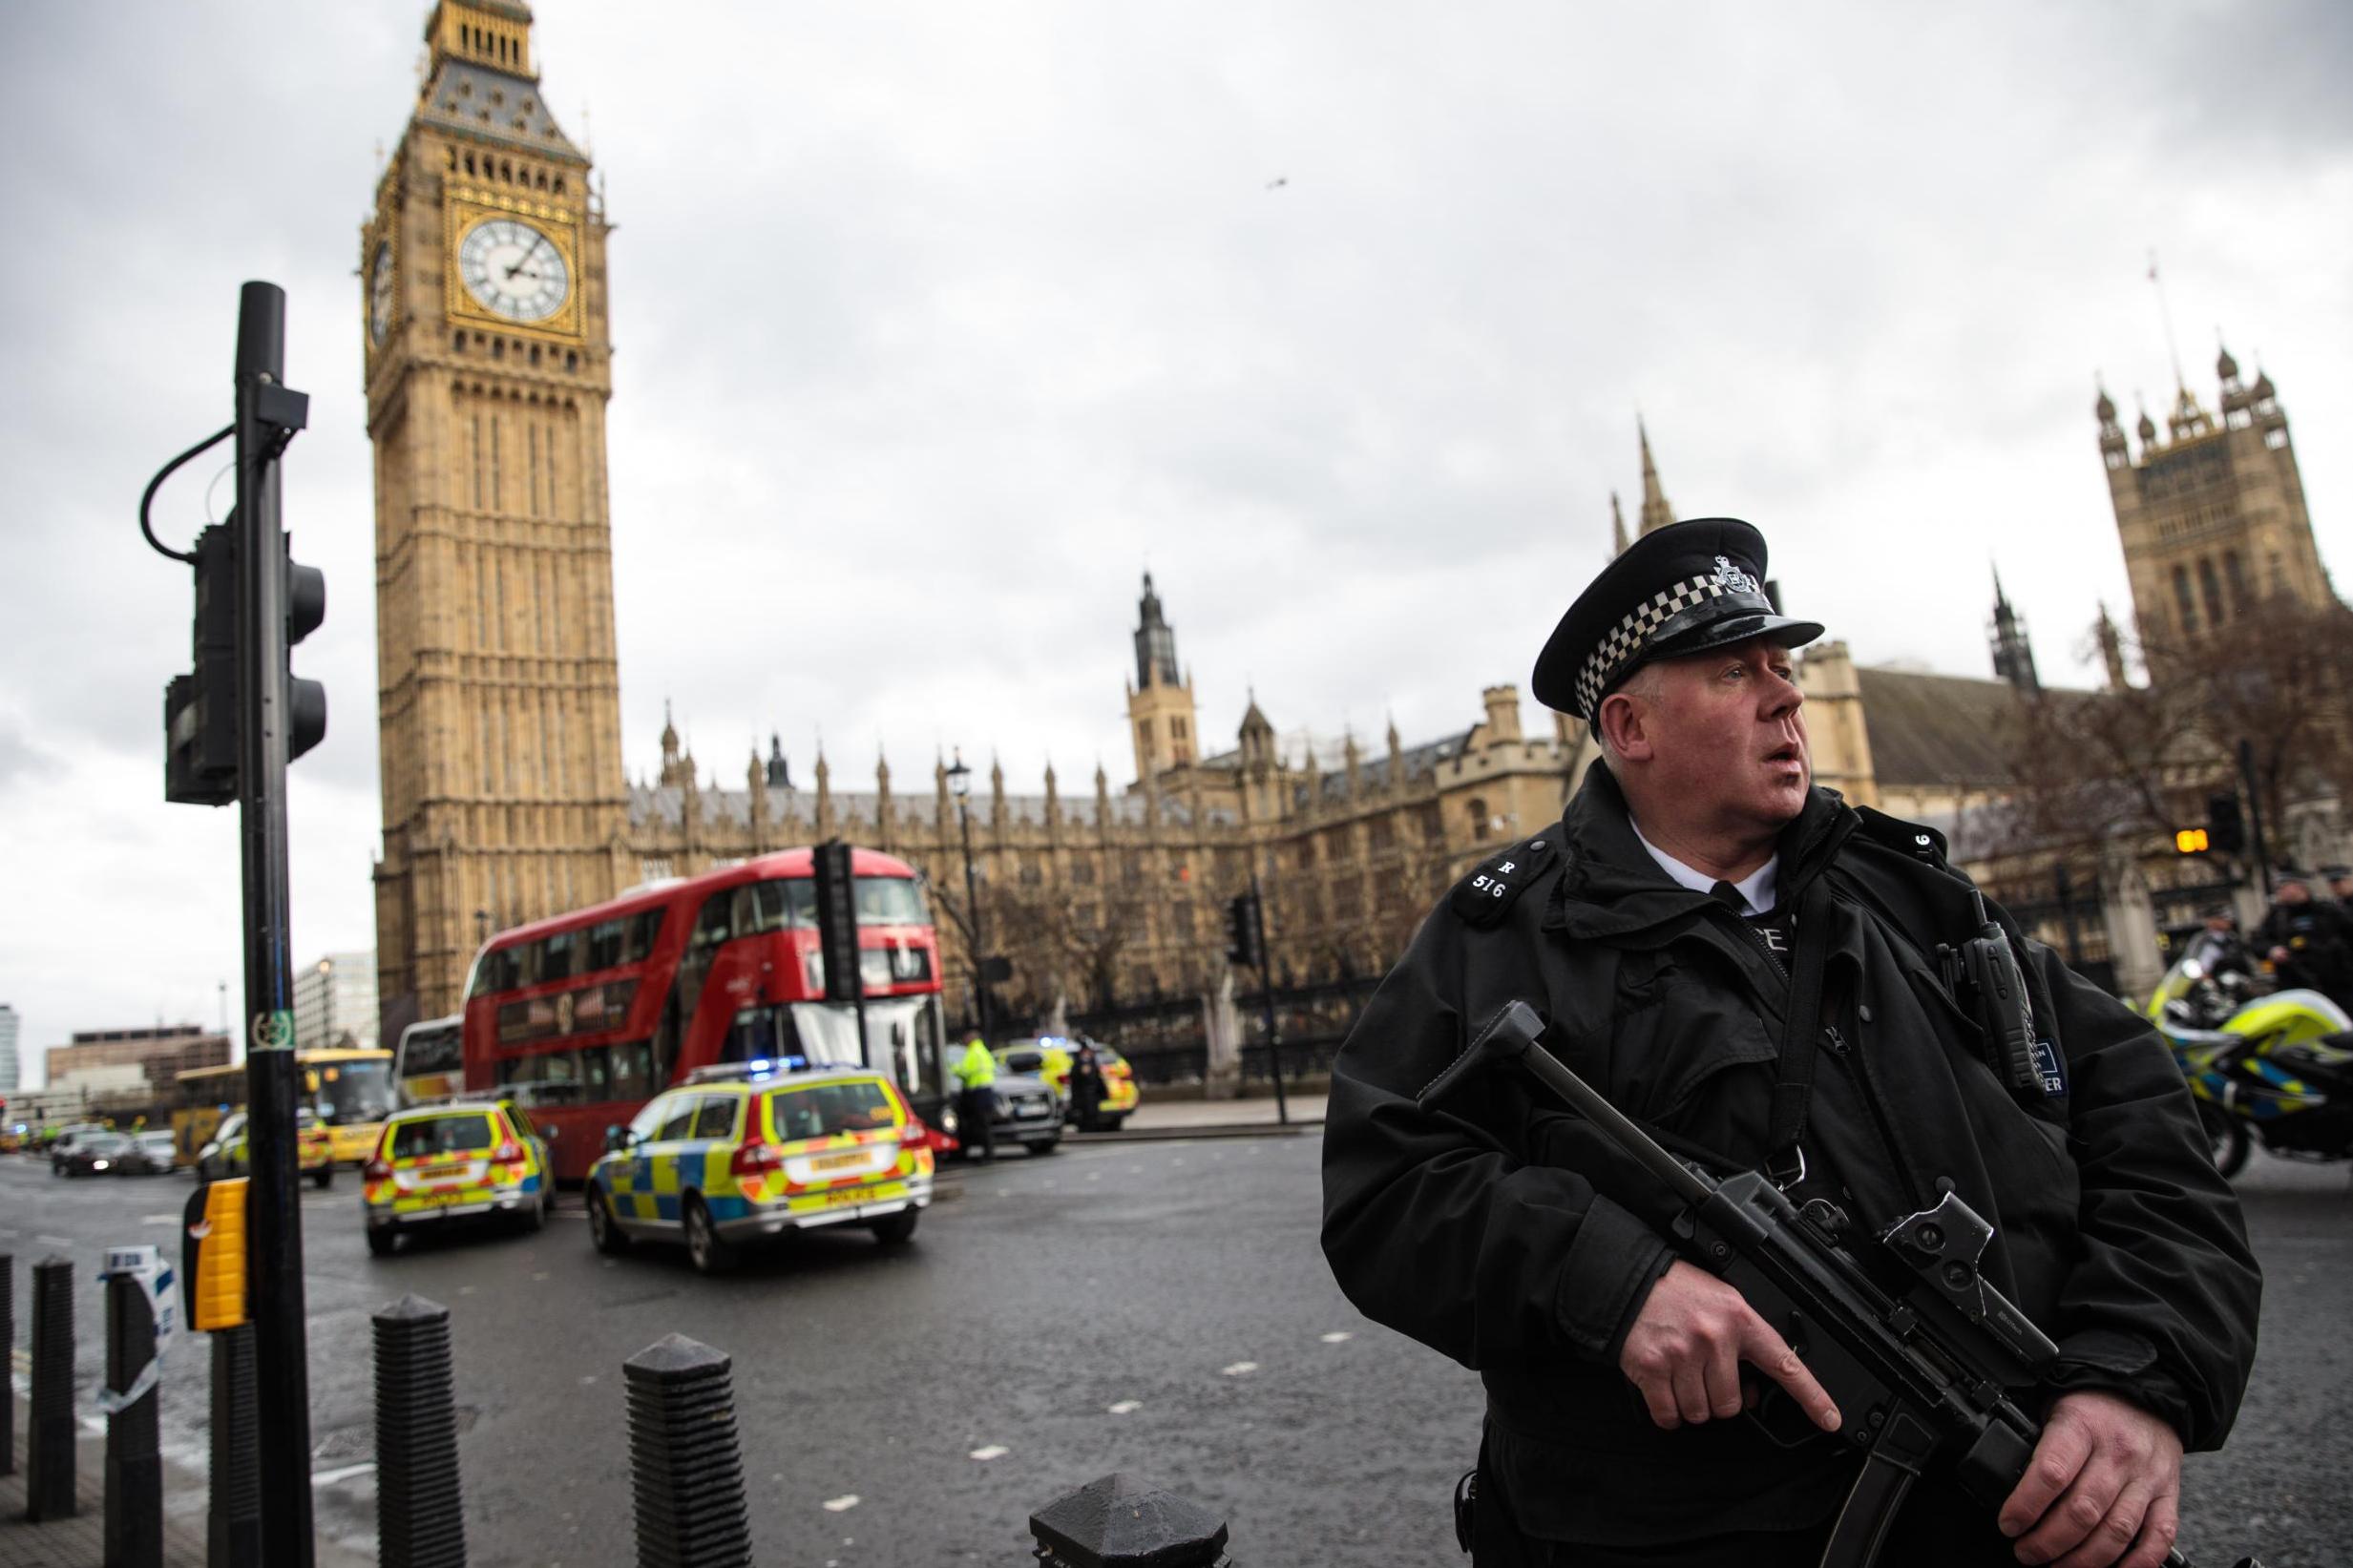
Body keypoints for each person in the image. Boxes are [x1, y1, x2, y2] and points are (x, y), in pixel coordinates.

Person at [1319, 519, 2260, 1568]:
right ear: (1628, 726)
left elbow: (2138, 1119)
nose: (1785, 695)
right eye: (1734, 671)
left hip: (2006, 1503)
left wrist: (2136, 1369)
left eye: (1781, 664)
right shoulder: (1500, 935)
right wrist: (1612, 1276)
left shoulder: (1918, 898)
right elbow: (1384, 1188)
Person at [2253, 868, 2353, 1009]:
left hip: (2336, 984)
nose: (2281, 892)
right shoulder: (2277, 917)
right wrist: (2272, 950)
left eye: (2285, 887)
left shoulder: (2327, 911)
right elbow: (2258, 942)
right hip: (2296, 983)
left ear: (2299, 886)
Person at [951, 1034, 998, 1162]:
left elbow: (965, 1071)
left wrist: (952, 1068)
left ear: (970, 1040)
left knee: (980, 1125)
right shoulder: (983, 1051)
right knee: (984, 1125)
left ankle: (987, 1154)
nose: (964, 1041)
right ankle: (988, 1152)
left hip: (977, 1093)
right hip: (986, 1091)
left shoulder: (973, 1052)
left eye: (965, 1039)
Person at [1066, 1039, 1105, 1131]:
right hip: (1082, 1095)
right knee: (1084, 1116)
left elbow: (1097, 1077)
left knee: (1093, 1115)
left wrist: (1102, 1093)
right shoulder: (1078, 1062)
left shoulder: (1092, 1061)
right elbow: (1074, 1078)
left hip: (1093, 1094)